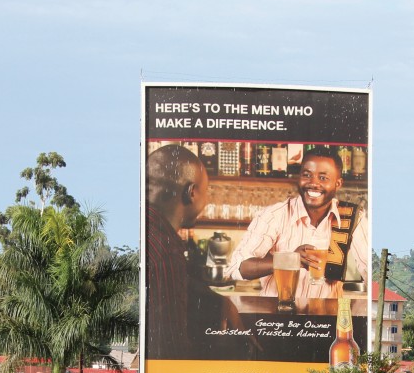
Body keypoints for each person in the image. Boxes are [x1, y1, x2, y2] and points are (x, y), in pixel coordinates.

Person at [226, 146, 371, 311]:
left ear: (338, 184)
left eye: (323, 177)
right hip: (277, 320)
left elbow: (372, 272)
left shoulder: (352, 217)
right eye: (307, 175)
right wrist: (288, 259)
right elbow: (237, 268)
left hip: (327, 322)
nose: (313, 183)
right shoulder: (273, 215)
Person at [144, 143, 215, 359]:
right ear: (191, 193)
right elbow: (171, 350)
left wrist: (213, 298)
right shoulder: (167, 253)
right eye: (206, 192)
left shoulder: (143, 233)